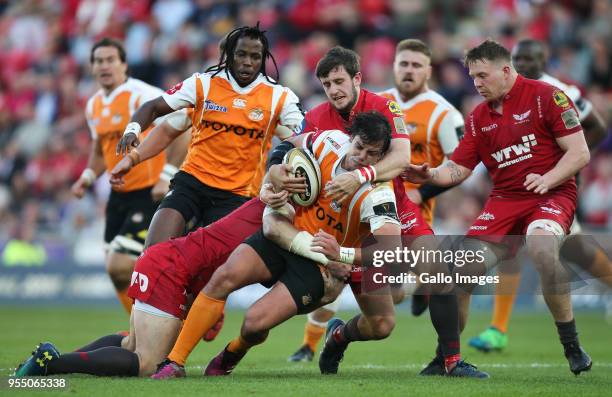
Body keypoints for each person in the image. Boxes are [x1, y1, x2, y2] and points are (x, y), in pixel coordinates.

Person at [152, 111, 402, 379]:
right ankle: (174, 362)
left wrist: (339, 253)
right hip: (283, 235)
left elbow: (390, 250)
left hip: (318, 265)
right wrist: (274, 172)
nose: (361, 157)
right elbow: (288, 144)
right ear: (349, 139)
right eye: (359, 147)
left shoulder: (378, 193)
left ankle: (232, 353)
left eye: (372, 153)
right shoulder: (330, 140)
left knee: (253, 324)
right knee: (223, 277)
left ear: (381, 158)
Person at [403, 39, 592, 376]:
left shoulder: (547, 96)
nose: (476, 83)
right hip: (504, 201)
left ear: (506, 71)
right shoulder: (478, 117)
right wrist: (430, 173)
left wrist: (548, 179)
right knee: (461, 270)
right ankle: (447, 358)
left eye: (482, 75)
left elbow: (579, 152)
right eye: (472, 76)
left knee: (542, 249)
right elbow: (459, 169)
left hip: (550, 195)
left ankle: (571, 345)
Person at [286, 46, 477, 378]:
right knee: (381, 324)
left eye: (339, 81)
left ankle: (451, 361)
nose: (334, 90)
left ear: (357, 78)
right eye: (327, 84)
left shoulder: (384, 105)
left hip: (394, 208)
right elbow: (291, 156)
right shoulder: (315, 117)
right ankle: (337, 335)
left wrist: (361, 176)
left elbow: (402, 156)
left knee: (439, 271)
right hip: (342, 224)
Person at [13, 193, 287, 377]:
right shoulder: (277, 217)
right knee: (147, 363)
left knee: (130, 344)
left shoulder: (265, 202)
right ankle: (51, 363)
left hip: (162, 261)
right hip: (171, 269)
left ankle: (54, 359)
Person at [468, 38, 612, 353]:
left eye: (531, 58)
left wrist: (563, 163)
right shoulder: (509, 93)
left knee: (576, 251)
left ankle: (501, 328)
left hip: (556, 188)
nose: (525, 63)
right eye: (519, 57)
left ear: (543, 59)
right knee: (514, 250)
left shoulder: (560, 91)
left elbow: (598, 127)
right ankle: (498, 328)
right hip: (524, 191)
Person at [114, 23, 303, 247]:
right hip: (192, 182)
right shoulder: (203, 86)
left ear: (263, 59)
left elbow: (302, 138)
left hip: (237, 196)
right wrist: (132, 150)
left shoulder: (278, 98)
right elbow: (165, 127)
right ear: (229, 56)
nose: (247, 62)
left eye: (255, 56)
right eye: (241, 54)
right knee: (153, 253)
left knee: (209, 273)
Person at [70, 38, 186, 314]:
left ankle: (183, 300)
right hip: (119, 195)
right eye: (99, 61)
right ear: (92, 67)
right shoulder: (94, 105)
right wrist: (87, 176)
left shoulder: (141, 95)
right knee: (117, 272)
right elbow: (101, 149)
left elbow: (184, 130)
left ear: (124, 65)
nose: (104, 66)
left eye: (111, 60)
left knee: (120, 263)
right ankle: (140, 333)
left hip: (150, 191)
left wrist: (166, 175)